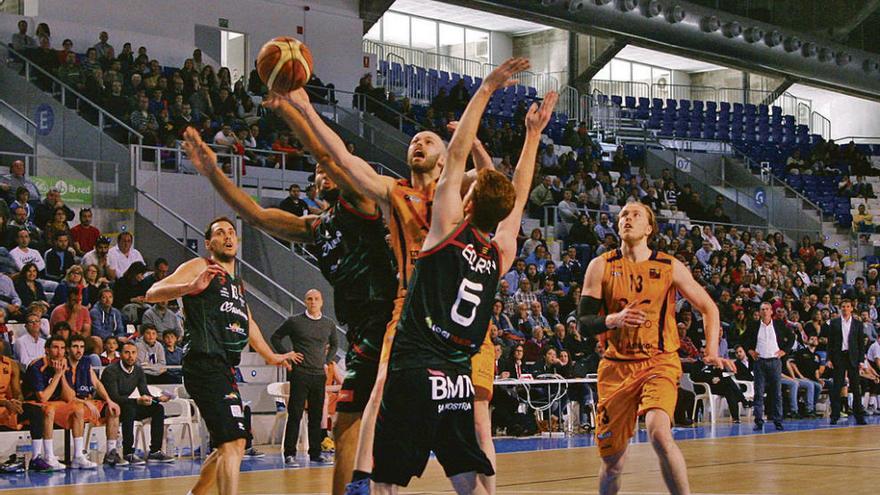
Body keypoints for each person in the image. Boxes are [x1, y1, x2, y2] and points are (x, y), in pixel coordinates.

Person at [286, 64, 498, 493]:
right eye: (415, 140)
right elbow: (341, 159)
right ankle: (363, 481)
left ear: (445, 157)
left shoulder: (455, 190)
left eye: (429, 140)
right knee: (382, 386)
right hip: (411, 305)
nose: (418, 143)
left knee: (476, 416)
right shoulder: (393, 191)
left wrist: (473, 144)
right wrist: (305, 106)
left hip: (457, 312)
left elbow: (492, 183)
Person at [184, 96, 397, 492]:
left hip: (392, 317)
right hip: (364, 327)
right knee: (348, 418)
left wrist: (292, 108)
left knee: (372, 417)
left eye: (328, 167)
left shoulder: (358, 199)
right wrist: (213, 171)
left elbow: (331, 155)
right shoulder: (314, 227)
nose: (323, 173)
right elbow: (256, 215)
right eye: (316, 172)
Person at [370, 58, 553, 495]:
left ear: (468, 204)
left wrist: (487, 87)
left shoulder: (445, 232)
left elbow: (454, 158)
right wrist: (532, 137)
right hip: (456, 372)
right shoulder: (500, 252)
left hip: (416, 362)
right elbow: (520, 194)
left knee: (386, 476)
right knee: (466, 470)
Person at [577, 201, 728, 495]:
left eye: (635, 215)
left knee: (659, 434)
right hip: (616, 367)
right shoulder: (601, 266)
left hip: (658, 362)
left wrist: (711, 351)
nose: (627, 218)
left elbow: (709, 308)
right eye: (623, 215)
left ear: (649, 228)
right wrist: (613, 320)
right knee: (613, 462)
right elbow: (583, 323)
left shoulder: (669, 266)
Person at [144, 217, 293, 495]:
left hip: (225, 368)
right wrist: (188, 288)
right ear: (209, 243)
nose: (228, 236)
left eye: (231, 232)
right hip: (203, 362)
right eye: (220, 232)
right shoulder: (201, 266)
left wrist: (271, 356)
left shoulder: (237, 284)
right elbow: (152, 293)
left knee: (231, 443)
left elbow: (249, 324)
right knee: (233, 442)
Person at [270, 289, 338, 466]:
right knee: (295, 414)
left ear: (322, 302)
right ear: (305, 301)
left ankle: (315, 453)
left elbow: (335, 345)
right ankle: (290, 454)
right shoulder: (294, 321)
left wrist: (327, 361)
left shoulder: (328, 324)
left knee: (316, 416)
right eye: (309, 299)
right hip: (300, 374)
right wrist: (287, 354)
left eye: (316, 299)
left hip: (318, 374)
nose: (313, 302)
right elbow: (275, 337)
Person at [22, 336, 95, 471]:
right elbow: (42, 398)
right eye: (55, 347)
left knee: (78, 409)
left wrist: (61, 374)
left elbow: (69, 397)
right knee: (49, 409)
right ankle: (49, 456)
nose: (59, 352)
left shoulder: (63, 365)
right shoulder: (36, 366)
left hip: (56, 403)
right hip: (33, 403)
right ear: (47, 350)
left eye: (62, 348)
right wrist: (56, 375)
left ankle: (78, 456)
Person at [100, 341, 172, 465]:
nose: (130, 356)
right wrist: (137, 400)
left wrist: (157, 399)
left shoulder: (138, 370)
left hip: (126, 405)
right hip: (108, 407)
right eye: (127, 353)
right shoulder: (111, 371)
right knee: (130, 408)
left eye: (133, 353)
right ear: (120, 355)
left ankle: (155, 451)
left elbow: (145, 392)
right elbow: (114, 397)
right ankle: (128, 453)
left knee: (158, 409)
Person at [64, 335, 129, 466]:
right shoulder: (63, 364)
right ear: (68, 349)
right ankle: (79, 454)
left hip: (87, 402)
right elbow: (66, 395)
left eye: (81, 347)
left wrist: (109, 400)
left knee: (114, 410)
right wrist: (85, 402)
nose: (79, 350)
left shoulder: (86, 362)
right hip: (71, 402)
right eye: (75, 347)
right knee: (79, 410)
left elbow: (97, 384)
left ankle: (111, 453)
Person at [744, 301, 794, 430]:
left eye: (767, 309)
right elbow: (743, 340)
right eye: (762, 309)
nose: (765, 311)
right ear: (759, 312)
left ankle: (778, 420)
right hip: (759, 362)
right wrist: (750, 351)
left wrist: (784, 351)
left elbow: (792, 337)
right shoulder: (753, 326)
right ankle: (759, 421)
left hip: (774, 361)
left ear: (771, 311)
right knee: (759, 393)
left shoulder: (779, 325)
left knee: (777, 392)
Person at [825, 299, 868, 425]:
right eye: (843, 306)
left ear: (851, 308)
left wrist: (861, 360)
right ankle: (835, 415)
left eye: (847, 306)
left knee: (855, 387)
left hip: (853, 357)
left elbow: (861, 344)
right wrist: (829, 358)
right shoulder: (834, 323)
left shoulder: (858, 324)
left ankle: (859, 415)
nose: (845, 309)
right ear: (840, 308)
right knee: (837, 387)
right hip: (839, 356)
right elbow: (830, 343)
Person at [0, 340, 23, 431]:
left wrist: (16, 400)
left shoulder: (12, 364)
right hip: (4, 403)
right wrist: (5, 402)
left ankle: (40, 445)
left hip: (7, 403)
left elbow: (17, 392)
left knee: (35, 411)